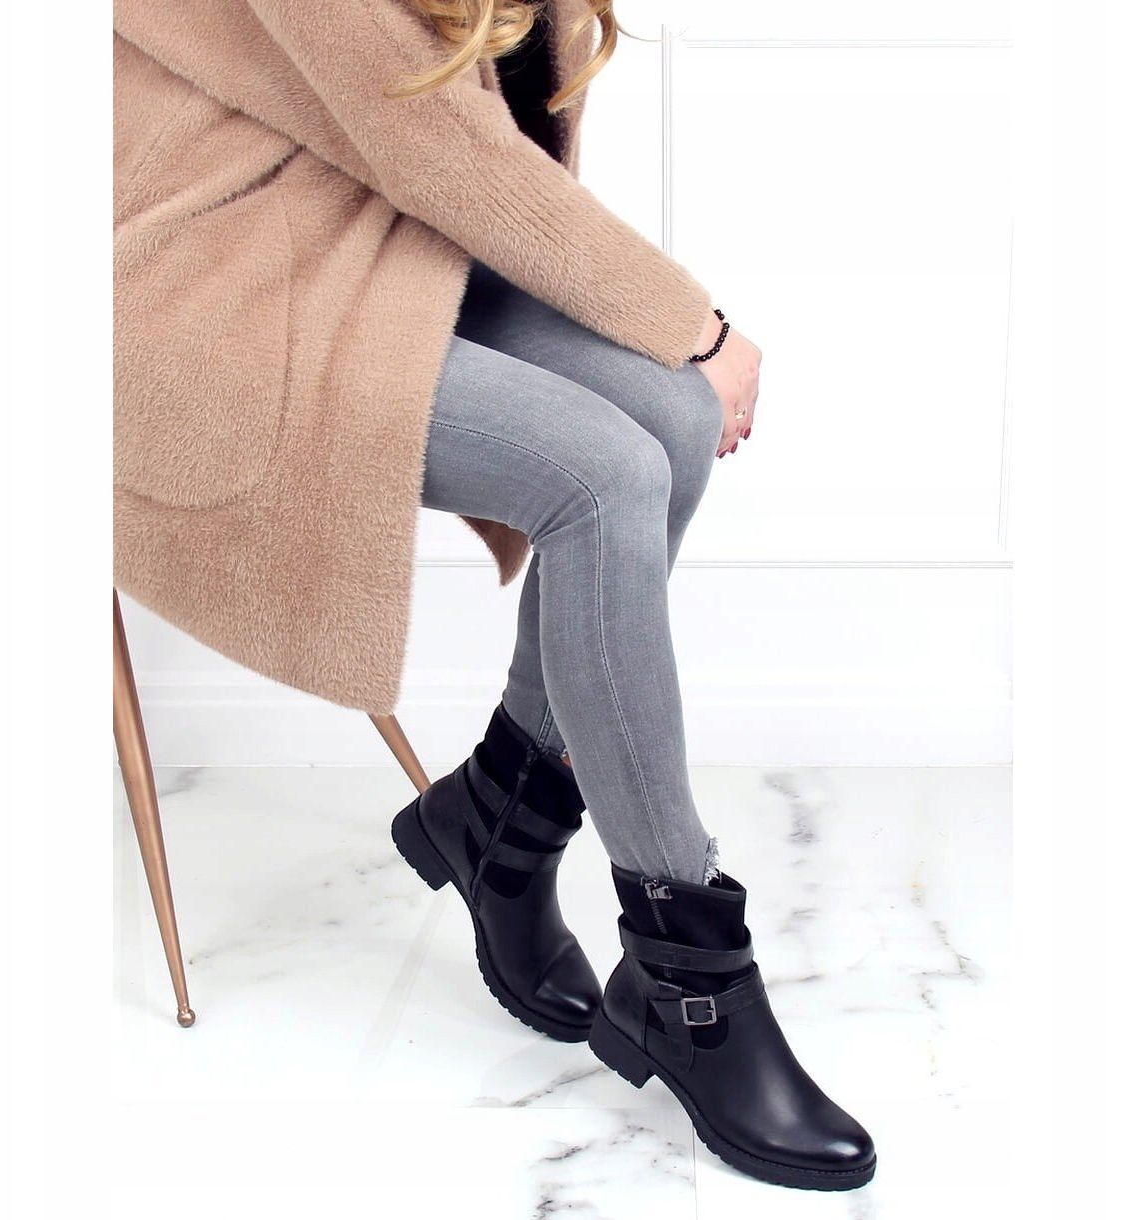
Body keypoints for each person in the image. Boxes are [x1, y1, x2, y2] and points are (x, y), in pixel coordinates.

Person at [114, 0, 874, 1191]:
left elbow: (489, 144)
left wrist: (679, 347)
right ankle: (688, 976)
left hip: (383, 246)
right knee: (604, 473)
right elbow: (442, 150)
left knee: (672, 417)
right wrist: (698, 323)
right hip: (214, 293)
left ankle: (501, 822)